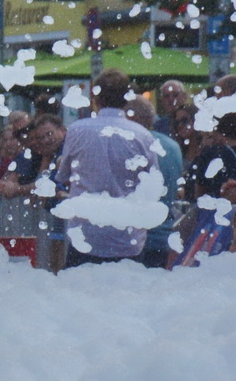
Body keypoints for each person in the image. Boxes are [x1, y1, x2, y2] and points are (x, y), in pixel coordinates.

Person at [52, 69, 161, 267]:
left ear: (95, 97)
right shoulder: (143, 136)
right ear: (127, 98)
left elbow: (63, 175)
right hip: (127, 238)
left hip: (85, 236)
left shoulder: (77, 130)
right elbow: (153, 187)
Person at [126, 96, 185, 268]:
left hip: (134, 238)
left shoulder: (131, 144)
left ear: (130, 117)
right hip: (164, 235)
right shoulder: (172, 146)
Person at [0, 114, 65, 200]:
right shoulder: (30, 156)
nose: (45, 140)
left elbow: (49, 184)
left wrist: (19, 190)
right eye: (41, 137)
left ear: (62, 130)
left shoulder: (61, 152)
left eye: (49, 134)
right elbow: (6, 184)